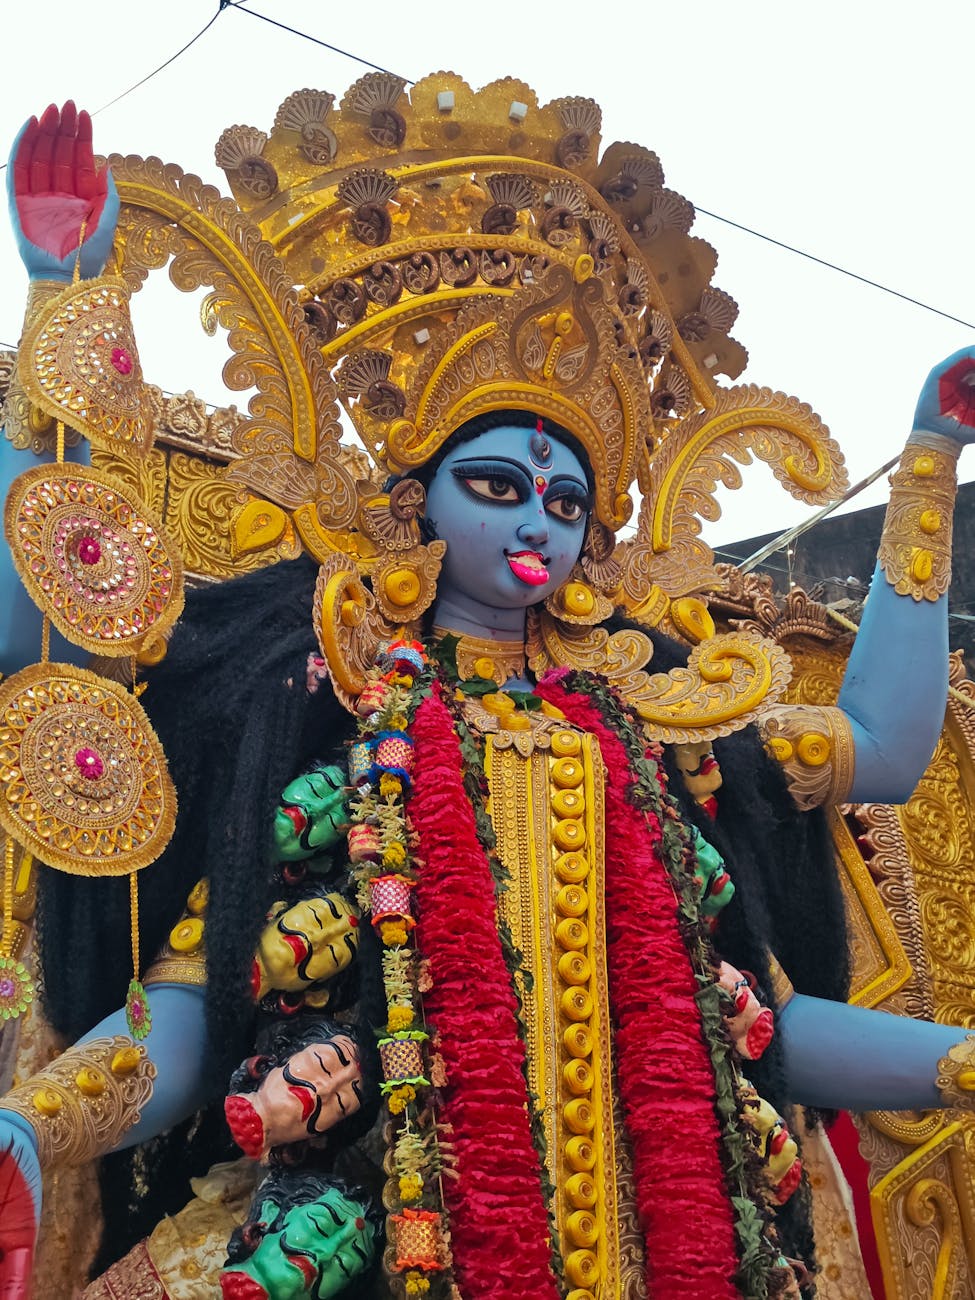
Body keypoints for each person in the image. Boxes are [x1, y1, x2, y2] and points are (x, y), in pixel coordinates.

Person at [1, 93, 974, 1300]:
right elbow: (200, 995)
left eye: (565, 506)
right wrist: (45, 1123)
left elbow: (850, 814)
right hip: (357, 1238)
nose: (534, 525)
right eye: (500, 484)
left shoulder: (655, 725)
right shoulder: (329, 694)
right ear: (415, 502)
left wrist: (929, 462)